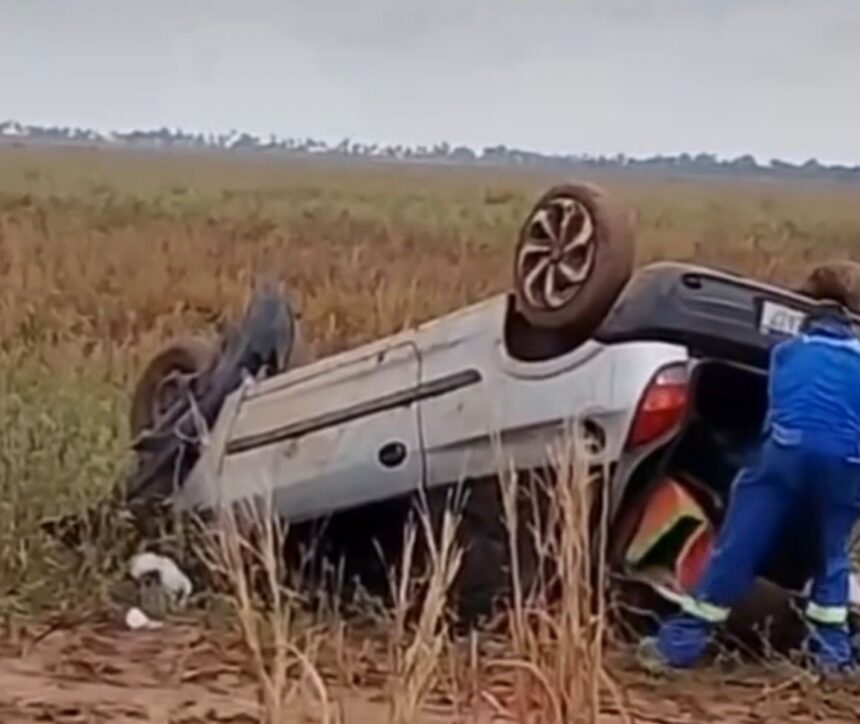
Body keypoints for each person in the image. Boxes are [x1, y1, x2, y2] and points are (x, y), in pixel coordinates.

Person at [638, 295, 860, 674]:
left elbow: (774, 415)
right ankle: (832, 660)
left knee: (737, 549)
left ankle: (678, 648)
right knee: (832, 557)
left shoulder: (787, 353)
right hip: (846, 465)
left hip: (784, 456)